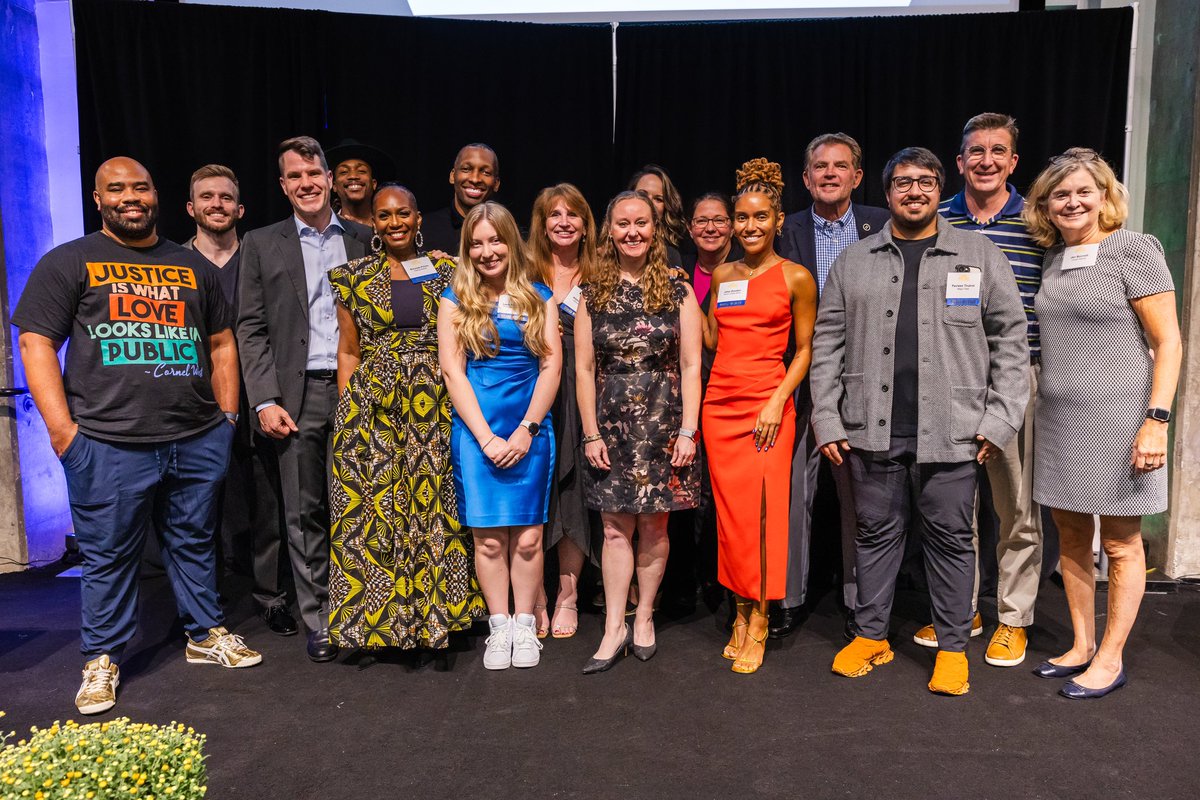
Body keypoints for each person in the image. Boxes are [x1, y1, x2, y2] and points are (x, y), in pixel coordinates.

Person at [14, 157, 261, 715]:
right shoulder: (69, 261)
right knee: (107, 555)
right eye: (117, 188)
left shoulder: (189, 264)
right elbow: (36, 344)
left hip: (196, 434)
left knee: (194, 541)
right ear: (98, 199)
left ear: (157, 195)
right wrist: (62, 433)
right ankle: (101, 658)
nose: (131, 196)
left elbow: (222, 343)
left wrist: (225, 421)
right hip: (107, 440)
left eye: (141, 187)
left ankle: (204, 634)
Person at [811, 147, 1028, 696]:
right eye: (903, 183)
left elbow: (1010, 341)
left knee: (952, 539)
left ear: (939, 189)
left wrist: (1000, 421)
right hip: (870, 428)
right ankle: (872, 636)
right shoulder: (854, 261)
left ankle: (954, 648)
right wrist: (828, 420)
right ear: (886, 195)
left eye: (925, 182)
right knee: (874, 535)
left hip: (954, 430)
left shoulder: (978, 255)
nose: (914, 191)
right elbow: (826, 346)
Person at [1022, 148, 1181, 699]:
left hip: (1121, 419)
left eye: (1083, 191)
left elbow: (1169, 342)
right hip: (1061, 420)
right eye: (1060, 195)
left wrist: (1157, 420)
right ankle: (1082, 644)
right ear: (1045, 205)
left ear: (1104, 196)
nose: (1072, 202)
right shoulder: (1053, 259)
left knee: (1119, 542)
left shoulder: (1134, 250)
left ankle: (1111, 658)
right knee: (1069, 538)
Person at [328, 184, 486, 651]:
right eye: (384, 216)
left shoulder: (449, 272)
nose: (394, 222)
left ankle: (439, 619)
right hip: (373, 409)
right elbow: (348, 351)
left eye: (403, 214)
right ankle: (379, 624)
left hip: (436, 402)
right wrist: (347, 417)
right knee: (376, 513)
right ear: (372, 224)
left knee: (437, 508)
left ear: (418, 218)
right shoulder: (352, 277)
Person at [237, 136, 373, 662]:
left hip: (361, 389)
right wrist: (264, 398)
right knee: (304, 511)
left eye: (314, 173)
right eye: (295, 177)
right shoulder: (261, 242)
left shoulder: (364, 239)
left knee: (364, 506)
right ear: (283, 186)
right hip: (297, 395)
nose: (306, 184)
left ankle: (365, 611)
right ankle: (322, 619)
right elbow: (249, 328)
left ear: (330, 178)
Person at [930, 113, 1047, 665]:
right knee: (956, 504)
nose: (986, 161)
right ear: (959, 162)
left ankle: (1014, 617)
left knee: (1015, 505)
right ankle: (962, 610)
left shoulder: (1037, 221)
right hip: (950, 377)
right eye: (975, 151)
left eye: (997, 151)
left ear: (1013, 162)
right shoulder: (938, 218)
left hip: (1013, 376)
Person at [576, 190, 702, 674]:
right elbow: (584, 369)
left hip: (665, 421)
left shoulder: (678, 286)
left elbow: (691, 364)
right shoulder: (593, 291)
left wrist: (689, 430)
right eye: (623, 223)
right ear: (609, 230)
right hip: (610, 425)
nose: (632, 232)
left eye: (641, 223)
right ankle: (614, 625)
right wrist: (590, 433)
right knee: (612, 528)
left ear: (655, 228)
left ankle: (645, 615)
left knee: (655, 524)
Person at [702, 159, 817, 674]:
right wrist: (683, 295)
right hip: (719, 407)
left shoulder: (795, 277)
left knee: (764, 515)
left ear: (777, 220)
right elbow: (711, 339)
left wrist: (776, 400)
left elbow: (806, 350)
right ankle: (740, 610)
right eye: (741, 218)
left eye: (760, 217)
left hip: (767, 407)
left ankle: (761, 617)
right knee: (731, 517)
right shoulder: (722, 274)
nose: (749, 226)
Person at [438, 201, 561, 671]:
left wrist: (527, 430)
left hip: (530, 429)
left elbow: (551, 367)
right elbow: (453, 372)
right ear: (468, 250)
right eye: (477, 243)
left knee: (528, 538)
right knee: (488, 540)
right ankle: (500, 627)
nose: (488, 251)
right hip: (477, 431)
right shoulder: (455, 298)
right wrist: (487, 438)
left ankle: (525, 625)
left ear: (512, 242)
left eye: (496, 240)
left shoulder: (539, 296)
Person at [777, 132, 891, 641]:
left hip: (865, 377)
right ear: (805, 178)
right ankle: (789, 599)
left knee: (861, 499)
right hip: (797, 377)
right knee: (794, 495)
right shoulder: (783, 230)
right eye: (819, 167)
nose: (829, 174)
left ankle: (857, 600)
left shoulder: (883, 226)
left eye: (839, 166)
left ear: (857, 177)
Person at [184, 164, 294, 637]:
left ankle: (271, 597)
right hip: (193, 404)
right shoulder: (173, 262)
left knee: (268, 503)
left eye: (226, 198)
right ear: (191, 208)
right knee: (196, 508)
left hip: (259, 397)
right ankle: (202, 605)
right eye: (206, 197)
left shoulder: (261, 254)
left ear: (240, 208)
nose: (216, 205)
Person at [527, 183, 597, 639]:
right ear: (542, 223)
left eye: (573, 214)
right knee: (530, 491)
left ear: (586, 225)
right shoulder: (521, 270)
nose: (564, 222)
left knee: (572, 488)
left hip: (585, 390)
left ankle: (567, 594)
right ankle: (532, 595)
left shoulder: (602, 273)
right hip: (528, 389)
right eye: (555, 214)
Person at [422, 143, 502, 255]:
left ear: (496, 183)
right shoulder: (425, 229)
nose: (475, 179)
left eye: (485, 172)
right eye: (466, 169)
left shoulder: (507, 233)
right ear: (452, 176)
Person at [326, 138, 398, 227]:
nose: (353, 176)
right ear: (334, 186)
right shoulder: (325, 227)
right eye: (344, 172)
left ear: (374, 183)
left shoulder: (391, 225)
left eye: (361, 171)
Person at [628, 164, 686, 267]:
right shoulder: (608, 250)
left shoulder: (672, 255)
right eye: (642, 194)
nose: (649, 202)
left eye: (658, 199)